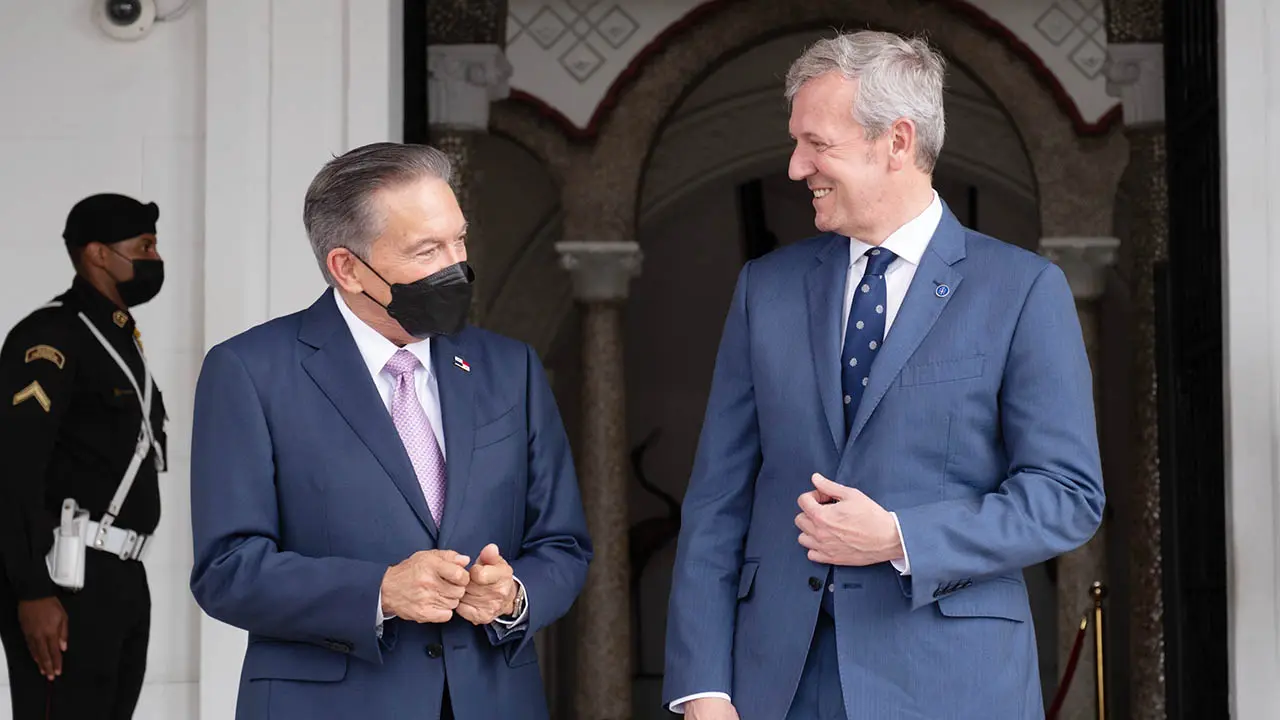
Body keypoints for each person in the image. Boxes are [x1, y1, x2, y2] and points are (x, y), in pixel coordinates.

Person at [663, 30, 1104, 720]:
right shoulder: (765, 290)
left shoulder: (1021, 290)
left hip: (952, 685)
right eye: (796, 142)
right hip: (778, 686)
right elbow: (717, 500)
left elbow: (1066, 496)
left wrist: (902, 537)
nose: (795, 167)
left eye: (817, 143)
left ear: (897, 141)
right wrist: (703, 689)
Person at [188, 142, 591, 720]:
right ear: (347, 268)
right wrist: (380, 591)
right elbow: (227, 569)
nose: (455, 265)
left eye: (459, 240)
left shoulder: (511, 368)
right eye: (427, 250)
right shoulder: (250, 371)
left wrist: (514, 594)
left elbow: (563, 544)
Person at [0, 193, 168, 719]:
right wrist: (31, 590)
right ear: (97, 254)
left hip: (120, 575)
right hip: (64, 580)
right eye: (144, 246)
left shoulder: (117, 339)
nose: (155, 258)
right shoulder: (51, 335)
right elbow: (13, 468)